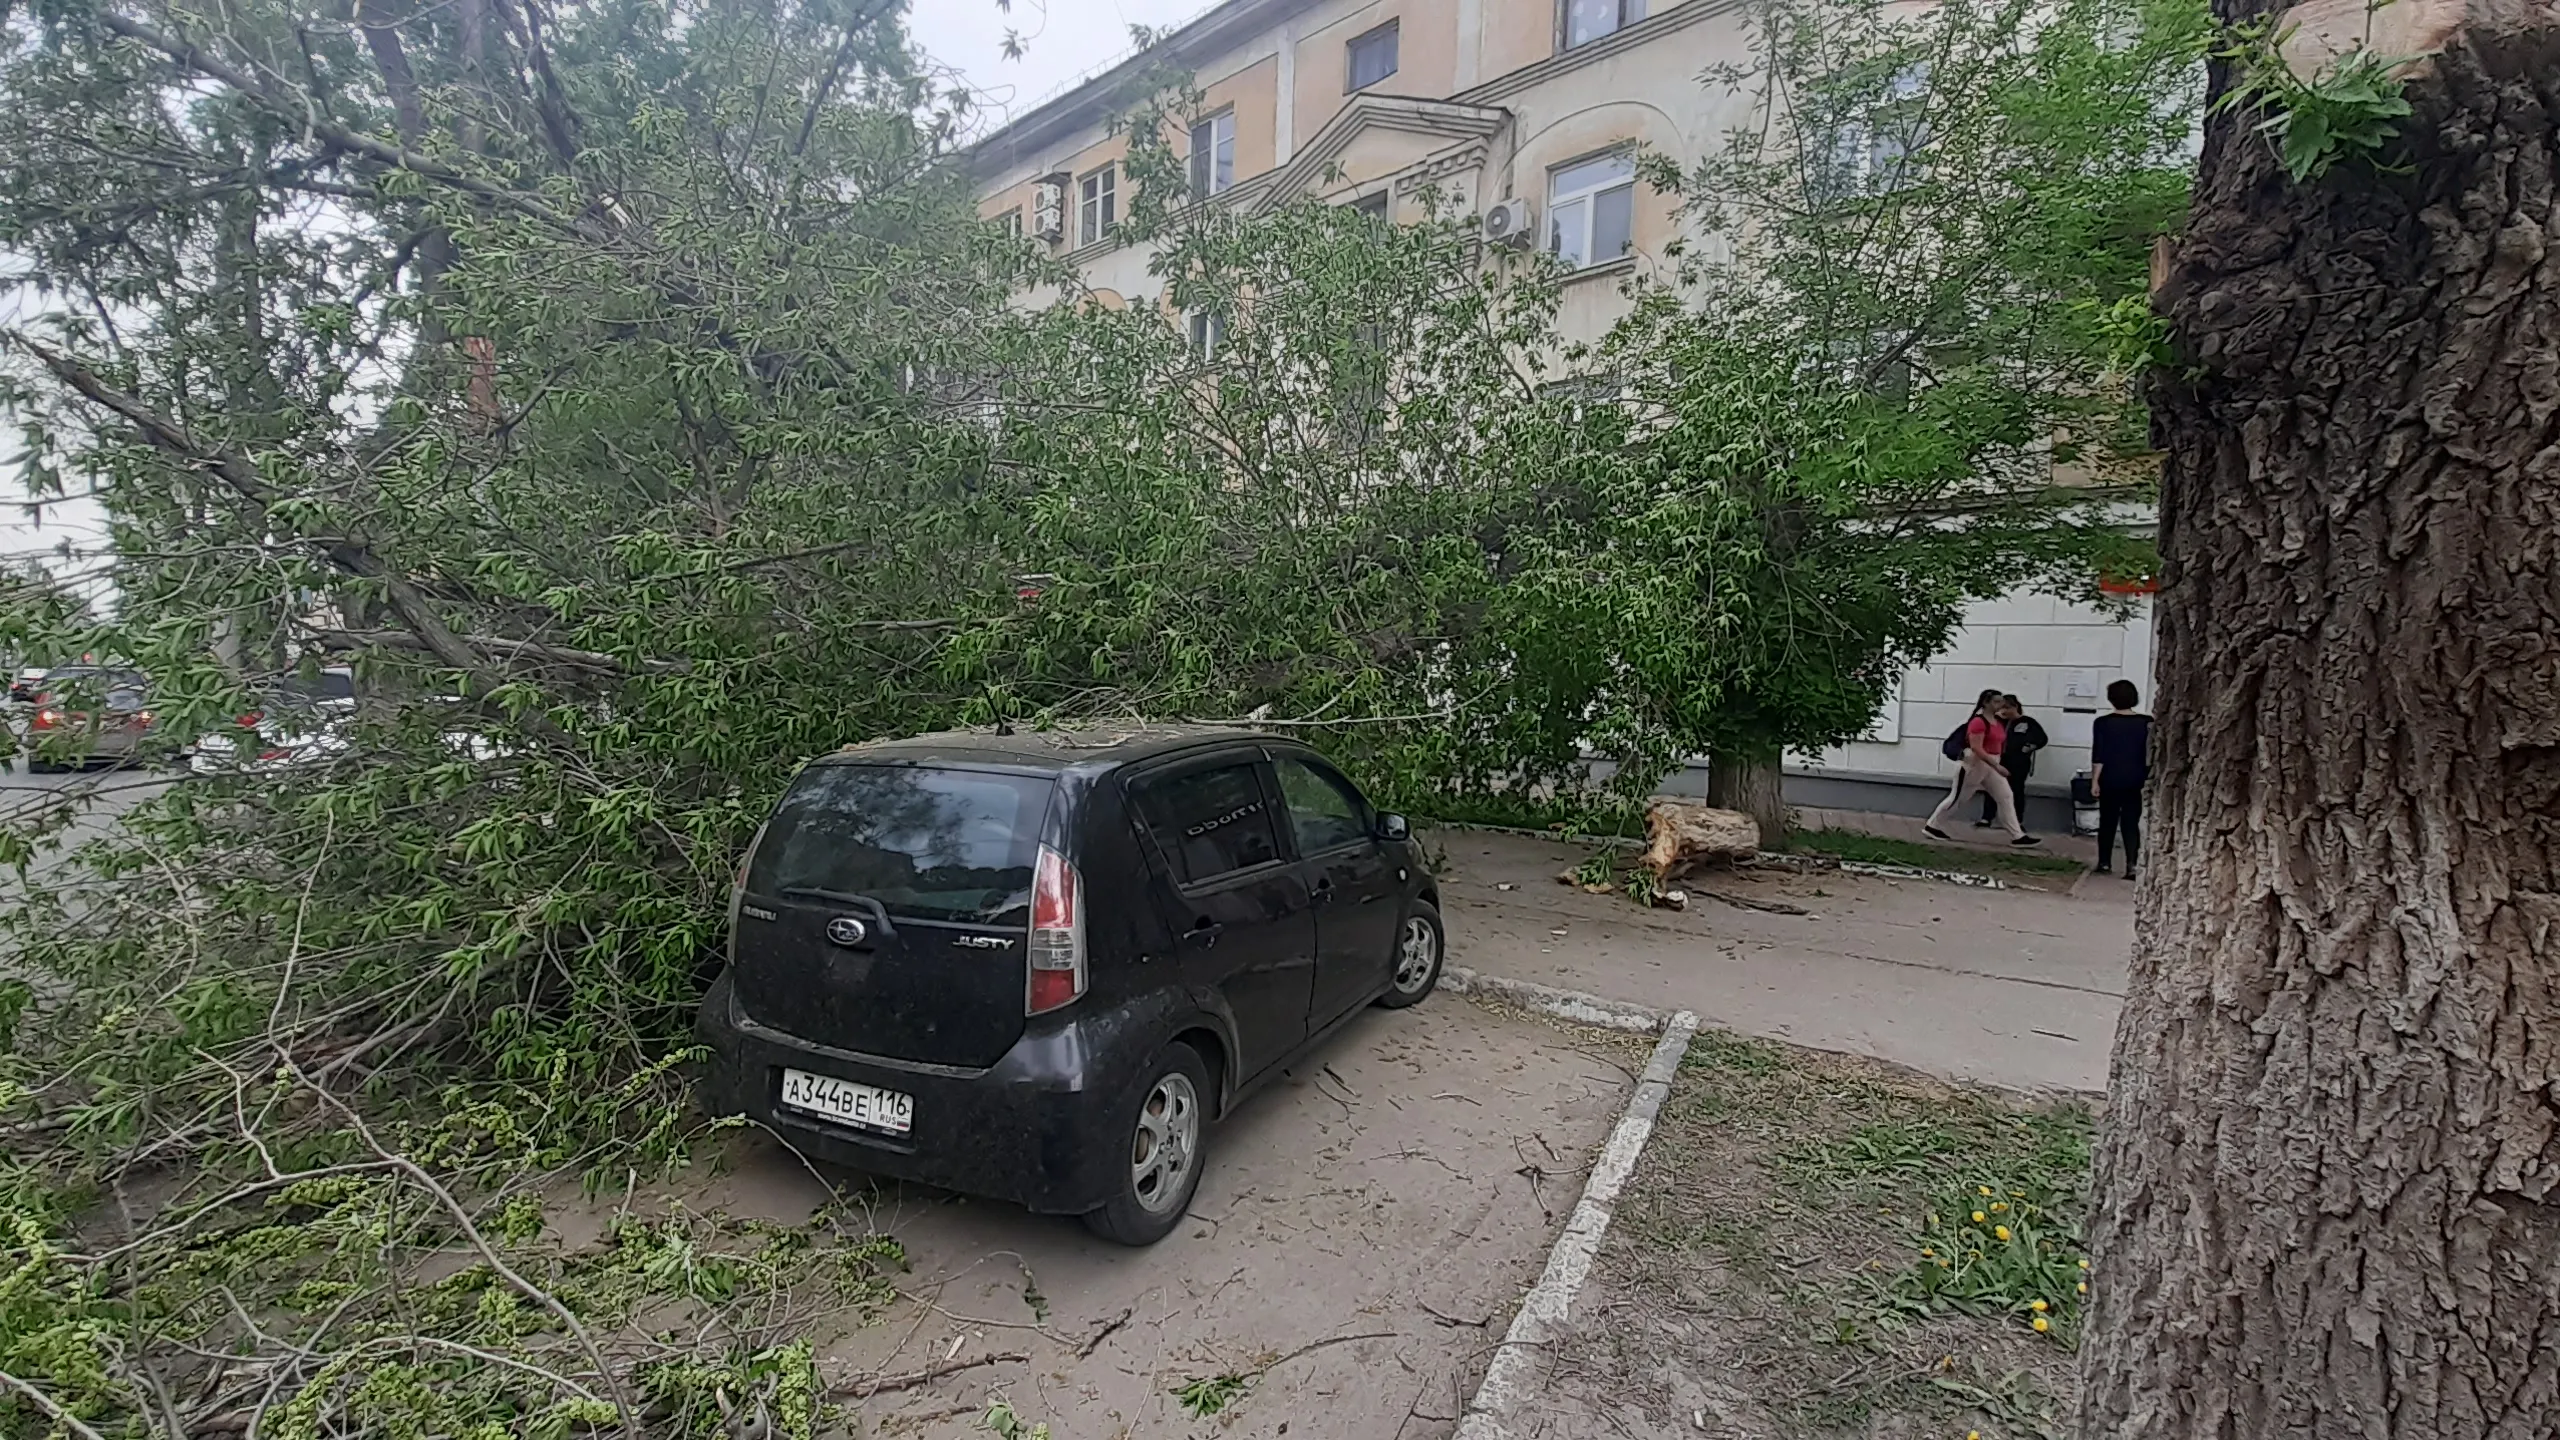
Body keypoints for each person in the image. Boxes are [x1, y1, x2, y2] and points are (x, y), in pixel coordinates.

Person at [1926, 688, 2038, 845]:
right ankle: (1932, 825)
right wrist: (1997, 766)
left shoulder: (1998, 722)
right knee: (1959, 798)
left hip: (1992, 764)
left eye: (2002, 702)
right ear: (1986, 703)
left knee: (2005, 796)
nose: (2000, 705)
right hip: (1976, 764)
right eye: (1996, 702)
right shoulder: (1978, 722)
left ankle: (2017, 835)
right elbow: (1977, 748)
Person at [2089, 679, 2150, 878]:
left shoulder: (2103, 723)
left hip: (2111, 776)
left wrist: (2094, 780)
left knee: (2107, 819)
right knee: (2131, 821)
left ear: (2111, 699)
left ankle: (2104, 862)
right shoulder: (2147, 722)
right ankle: (2132, 864)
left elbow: (2099, 755)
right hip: (2136, 776)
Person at [1977, 694, 2046, 831]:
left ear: (2014, 707)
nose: (2003, 712)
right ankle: (1987, 817)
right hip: (2000, 760)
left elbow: (2041, 739)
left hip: (2018, 762)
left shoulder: (2027, 722)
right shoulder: (1997, 722)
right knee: (1992, 788)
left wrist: (2030, 746)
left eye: (2006, 708)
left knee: (2016, 790)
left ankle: (2016, 821)